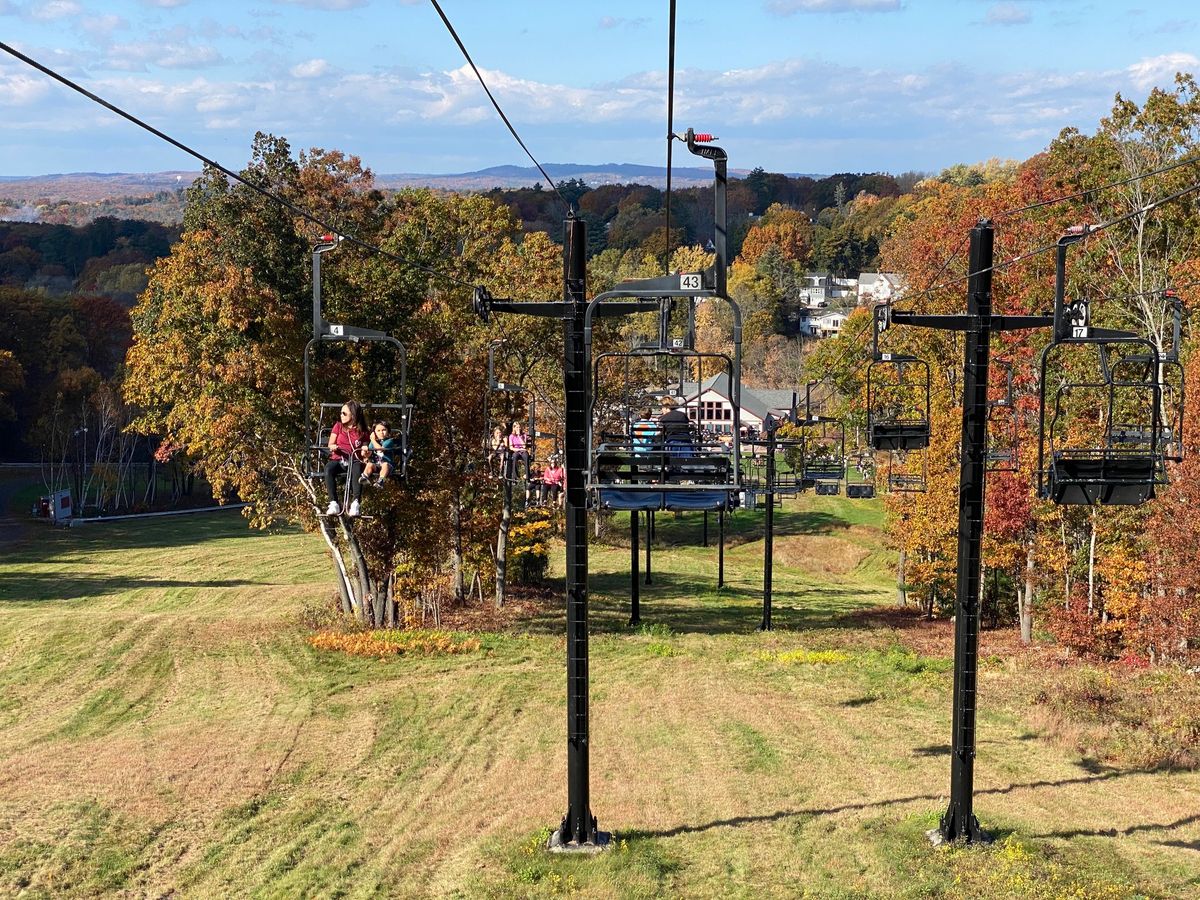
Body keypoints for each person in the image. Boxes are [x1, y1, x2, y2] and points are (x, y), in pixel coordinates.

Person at [325, 401, 367, 517]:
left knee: (357, 468)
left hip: (354, 460)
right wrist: (333, 447)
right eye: (341, 413)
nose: (341, 415)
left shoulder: (361, 430)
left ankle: (356, 502)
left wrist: (365, 448)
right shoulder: (338, 426)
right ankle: (333, 503)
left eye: (344, 413)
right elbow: (331, 443)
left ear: (353, 415)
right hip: (339, 459)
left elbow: (366, 443)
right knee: (329, 468)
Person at [361, 420, 398, 487]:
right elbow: (369, 454)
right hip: (377, 465)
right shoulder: (373, 442)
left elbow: (380, 450)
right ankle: (364, 477)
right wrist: (365, 452)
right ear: (374, 433)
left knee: (385, 465)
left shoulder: (389, 441)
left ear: (388, 431)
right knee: (370, 464)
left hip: (387, 465)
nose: (381, 433)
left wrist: (372, 439)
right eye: (378, 431)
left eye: (383, 430)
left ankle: (381, 480)